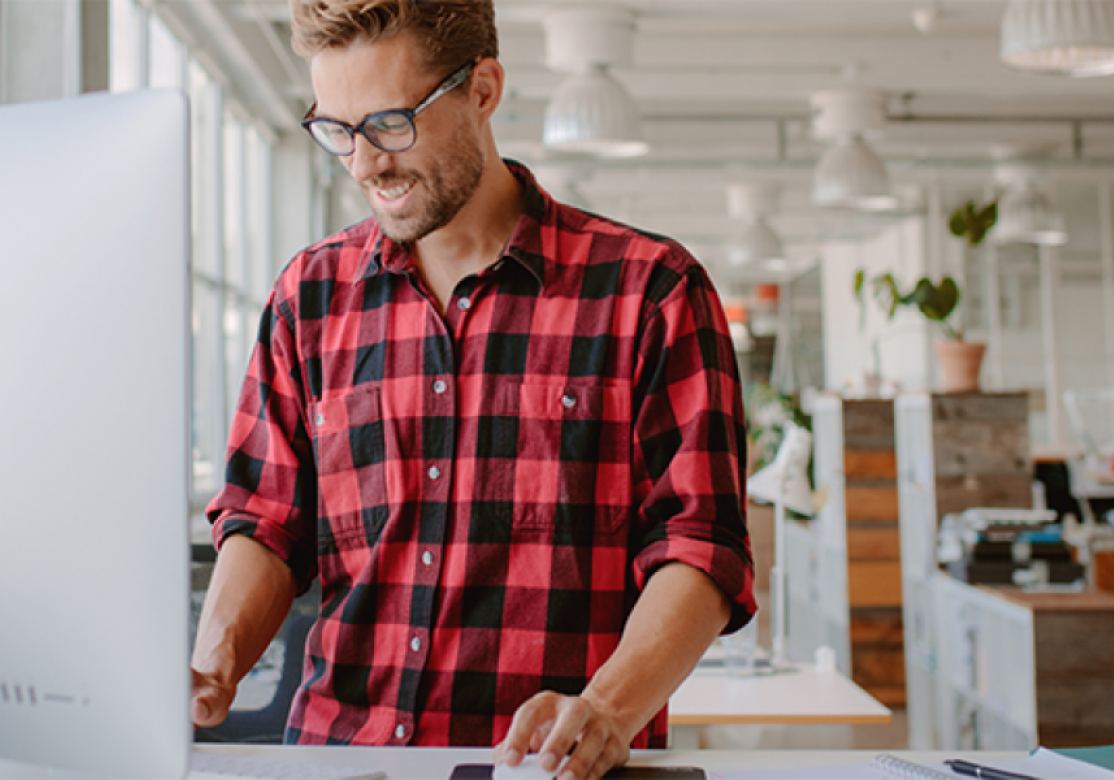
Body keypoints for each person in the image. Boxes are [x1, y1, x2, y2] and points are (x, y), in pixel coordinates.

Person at [190, 1, 755, 778]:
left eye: (390, 124)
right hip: (340, 758)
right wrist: (211, 664)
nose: (364, 163)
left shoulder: (650, 292)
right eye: (338, 131)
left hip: (551, 771)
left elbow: (701, 547)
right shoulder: (308, 297)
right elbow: (267, 519)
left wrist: (608, 708)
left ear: (482, 89)